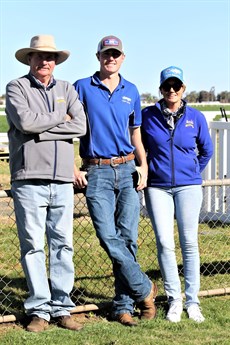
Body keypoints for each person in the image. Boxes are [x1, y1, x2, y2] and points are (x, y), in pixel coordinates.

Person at [73, 35, 158, 327]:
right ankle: (145, 288)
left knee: (128, 238)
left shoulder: (131, 90)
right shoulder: (82, 87)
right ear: (98, 57)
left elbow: (135, 133)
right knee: (107, 237)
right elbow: (68, 127)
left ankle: (122, 306)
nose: (111, 58)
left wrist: (143, 164)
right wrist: (73, 166)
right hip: (96, 170)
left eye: (115, 54)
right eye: (106, 54)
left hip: (127, 169)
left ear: (123, 58)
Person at [5, 35, 87, 332]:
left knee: (63, 244)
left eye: (50, 56)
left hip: (63, 180)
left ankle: (62, 306)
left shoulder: (67, 89)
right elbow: (25, 123)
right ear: (29, 59)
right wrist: (58, 119)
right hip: (28, 179)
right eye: (38, 56)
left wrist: (42, 129)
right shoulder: (16, 87)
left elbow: (80, 125)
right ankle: (39, 309)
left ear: (56, 61)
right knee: (33, 246)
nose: (44, 61)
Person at [141, 66, 213, 323]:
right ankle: (175, 300)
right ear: (160, 89)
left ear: (184, 88)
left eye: (177, 86)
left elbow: (206, 150)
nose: (171, 91)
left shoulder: (196, 117)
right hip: (158, 187)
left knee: (189, 243)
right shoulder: (147, 116)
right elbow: (140, 147)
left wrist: (193, 171)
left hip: (188, 187)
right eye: (166, 86)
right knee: (164, 242)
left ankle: (193, 301)